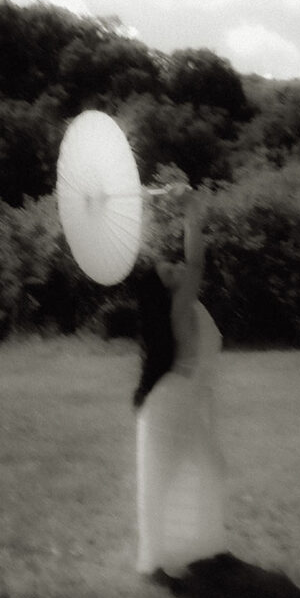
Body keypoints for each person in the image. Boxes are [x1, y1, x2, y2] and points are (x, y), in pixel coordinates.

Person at [134, 186, 227, 577]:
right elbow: (198, 261)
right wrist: (190, 208)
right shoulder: (178, 305)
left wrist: (153, 200)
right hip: (173, 400)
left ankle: (198, 545)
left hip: (177, 396)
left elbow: (175, 260)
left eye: (171, 266)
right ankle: (159, 556)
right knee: (172, 474)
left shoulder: (173, 306)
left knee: (204, 468)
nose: (175, 267)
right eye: (169, 271)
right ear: (168, 288)